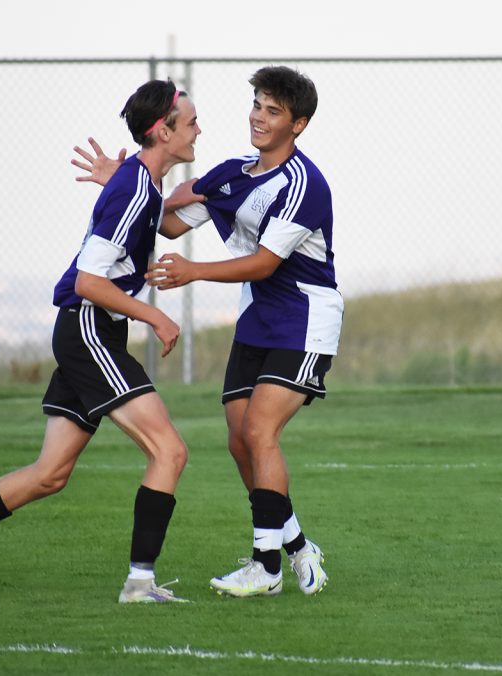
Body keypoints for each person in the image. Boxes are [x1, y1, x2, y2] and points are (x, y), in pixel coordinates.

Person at [0, 79, 202, 604]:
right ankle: (139, 583)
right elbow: (88, 281)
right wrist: (155, 316)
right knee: (170, 451)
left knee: (49, 475)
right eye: (191, 121)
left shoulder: (138, 183)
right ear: (162, 130)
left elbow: (155, 221)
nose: (199, 129)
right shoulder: (134, 188)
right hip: (89, 327)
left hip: (87, 329)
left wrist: (124, 179)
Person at [75, 66, 341, 598]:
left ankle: (265, 568)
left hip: (304, 322)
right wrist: (127, 182)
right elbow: (167, 220)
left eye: (273, 111)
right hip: (259, 320)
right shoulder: (232, 173)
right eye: (257, 106)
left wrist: (194, 272)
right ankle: (296, 547)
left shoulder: (304, 185)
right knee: (241, 443)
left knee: (260, 432)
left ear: (299, 124)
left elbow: (265, 263)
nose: (259, 117)